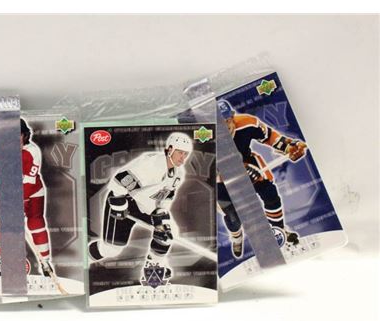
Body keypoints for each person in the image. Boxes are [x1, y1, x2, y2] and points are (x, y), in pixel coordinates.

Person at [88, 132, 193, 283]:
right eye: (180, 153)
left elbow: (166, 197)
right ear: (170, 149)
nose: (183, 158)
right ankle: (85, 258)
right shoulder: (151, 165)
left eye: (186, 154)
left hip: (145, 206)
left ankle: (154, 265)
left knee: (168, 231)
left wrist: (161, 212)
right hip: (124, 201)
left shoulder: (178, 174)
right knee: (111, 249)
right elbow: (119, 181)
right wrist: (119, 205)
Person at [217, 99, 307, 258]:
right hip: (220, 176)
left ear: (232, 118)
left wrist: (289, 146)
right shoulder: (204, 139)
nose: (226, 128)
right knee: (233, 218)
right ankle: (236, 238)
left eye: (227, 121)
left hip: (249, 163)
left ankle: (278, 230)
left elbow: (269, 135)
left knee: (270, 194)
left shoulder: (246, 122)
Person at [0, 118, 55, 279]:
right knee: (5, 226)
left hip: (33, 191)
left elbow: (30, 181)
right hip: (7, 191)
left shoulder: (32, 152)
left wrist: (17, 202)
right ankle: (3, 262)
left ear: (25, 135)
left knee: (36, 222)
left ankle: (45, 262)